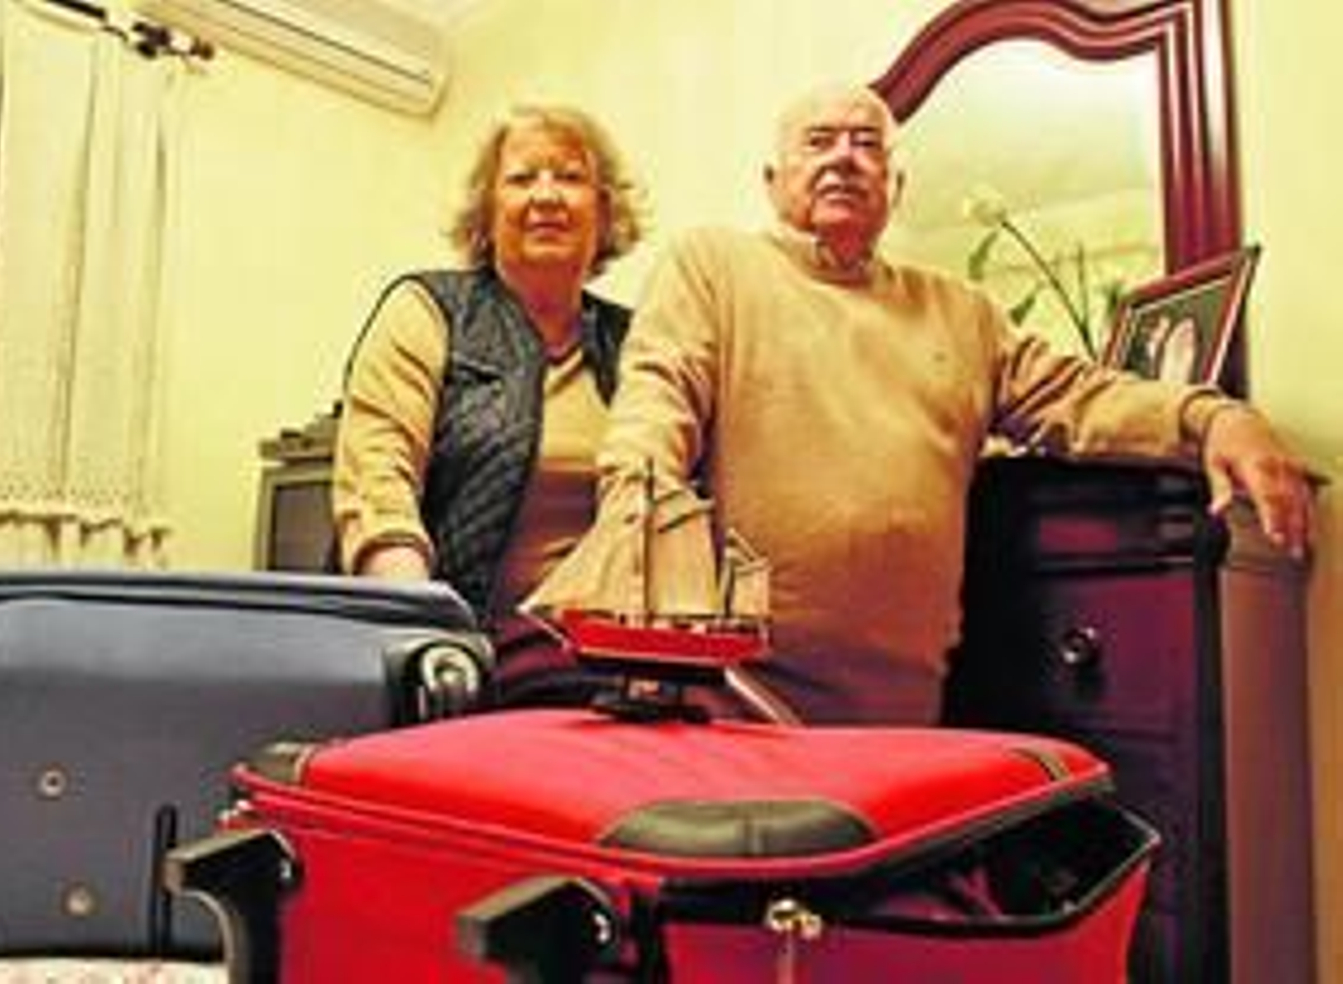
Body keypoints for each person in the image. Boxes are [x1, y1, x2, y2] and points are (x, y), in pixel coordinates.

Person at [528, 83, 1313, 725]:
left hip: (904, 712)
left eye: (866, 144)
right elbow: (655, 405)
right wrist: (636, 525)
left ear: (895, 188)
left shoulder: (961, 313)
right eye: (819, 140)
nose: (843, 156)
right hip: (738, 701)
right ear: (771, 182)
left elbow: (1081, 396)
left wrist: (1215, 416)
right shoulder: (714, 266)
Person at [330, 104, 646, 705]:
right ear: (488, 211)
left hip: (605, 661)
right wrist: (426, 631)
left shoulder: (638, 340)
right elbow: (378, 478)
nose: (547, 196)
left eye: (571, 177)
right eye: (523, 178)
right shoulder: (430, 308)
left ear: (604, 211)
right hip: (459, 650)